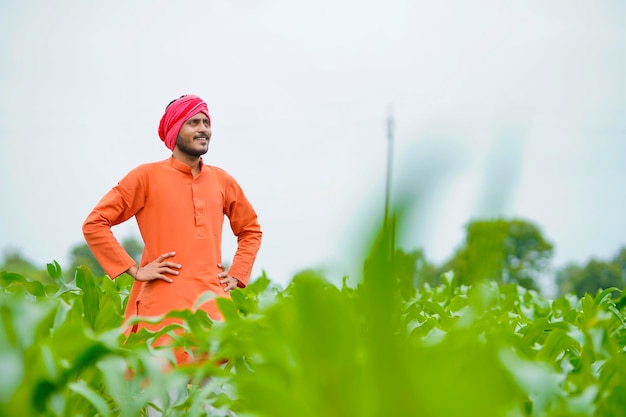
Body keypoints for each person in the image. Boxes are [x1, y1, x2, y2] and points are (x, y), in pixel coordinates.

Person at [82, 94, 262, 365]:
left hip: (213, 308)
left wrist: (236, 274)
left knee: (216, 403)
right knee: (161, 401)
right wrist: (134, 270)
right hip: (161, 311)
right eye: (193, 122)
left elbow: (250, 229)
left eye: (206, 122)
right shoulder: (145, 177)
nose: (203, 128)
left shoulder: (222, 180)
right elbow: (95, 223)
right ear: (174, 130)